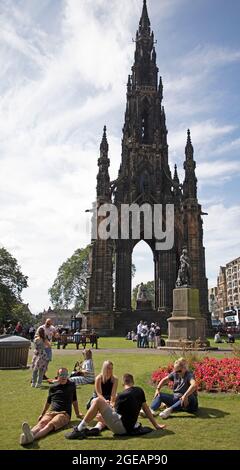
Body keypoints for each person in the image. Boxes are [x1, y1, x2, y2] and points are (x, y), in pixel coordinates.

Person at [65, 373, 165, 440]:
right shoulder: (139, 391)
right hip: (131, 426)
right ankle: (97, 429)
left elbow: (116, 414)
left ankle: (79, 429)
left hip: (122, 429)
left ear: (123, 383)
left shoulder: (121, 396)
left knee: (97, 401)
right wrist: (156, 425)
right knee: (102, 409)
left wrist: (104, 416)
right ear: (132, 382)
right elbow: (146, 408)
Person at [20, 368, 82, 445]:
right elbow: (48, 402)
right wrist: (42, 414)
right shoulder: (53, 387)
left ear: (68, 375)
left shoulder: (71, 385)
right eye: (61, 375)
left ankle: (31, 437)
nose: (64, 377)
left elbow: (74, 400)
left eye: (66, 375)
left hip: (64, 414)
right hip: (51, 412)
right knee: (42, 422)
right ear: (57, 376)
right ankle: (29, 434)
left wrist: (78, 413)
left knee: (50, 425)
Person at [88, 360, 118, 433]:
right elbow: (99, 394)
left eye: (111, 368)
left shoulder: (115, 379)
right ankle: (107, 424)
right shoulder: (98, 378)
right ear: (104, 368)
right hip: (98, 399)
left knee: (118, 398)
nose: (110, 370)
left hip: (109, 399)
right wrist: (105, 401)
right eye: (108, 368)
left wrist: (112, 403)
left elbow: (113, 394)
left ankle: (99, 427)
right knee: (102, 407)